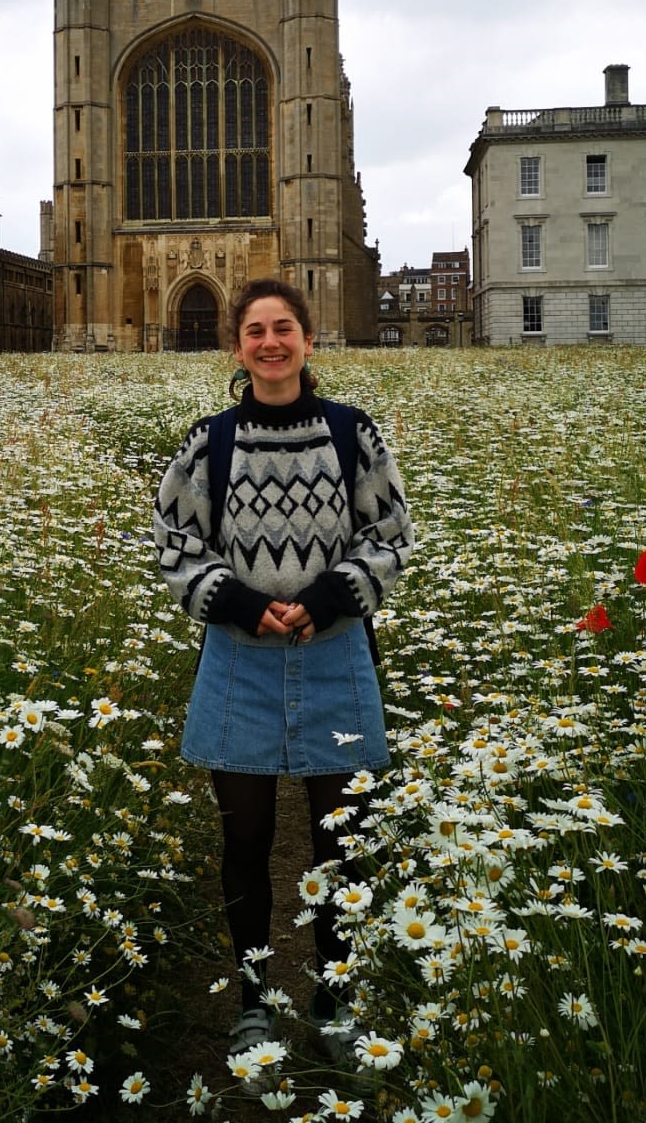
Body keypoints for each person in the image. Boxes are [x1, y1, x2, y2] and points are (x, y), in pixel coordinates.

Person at [154, 277, 415, 1062]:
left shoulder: (350, 433)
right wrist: (233, 601)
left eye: (285, 329)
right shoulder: (212, 442)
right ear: (237, 348)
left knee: (343, 843)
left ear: (308, 339)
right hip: (240, 660)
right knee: (248, 842)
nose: (271, 343)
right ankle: (255, 1002)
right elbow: (175, 541)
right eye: (256, 332)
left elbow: (392, 532)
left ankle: (335, 999)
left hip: (335, 655)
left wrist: (335, 592)